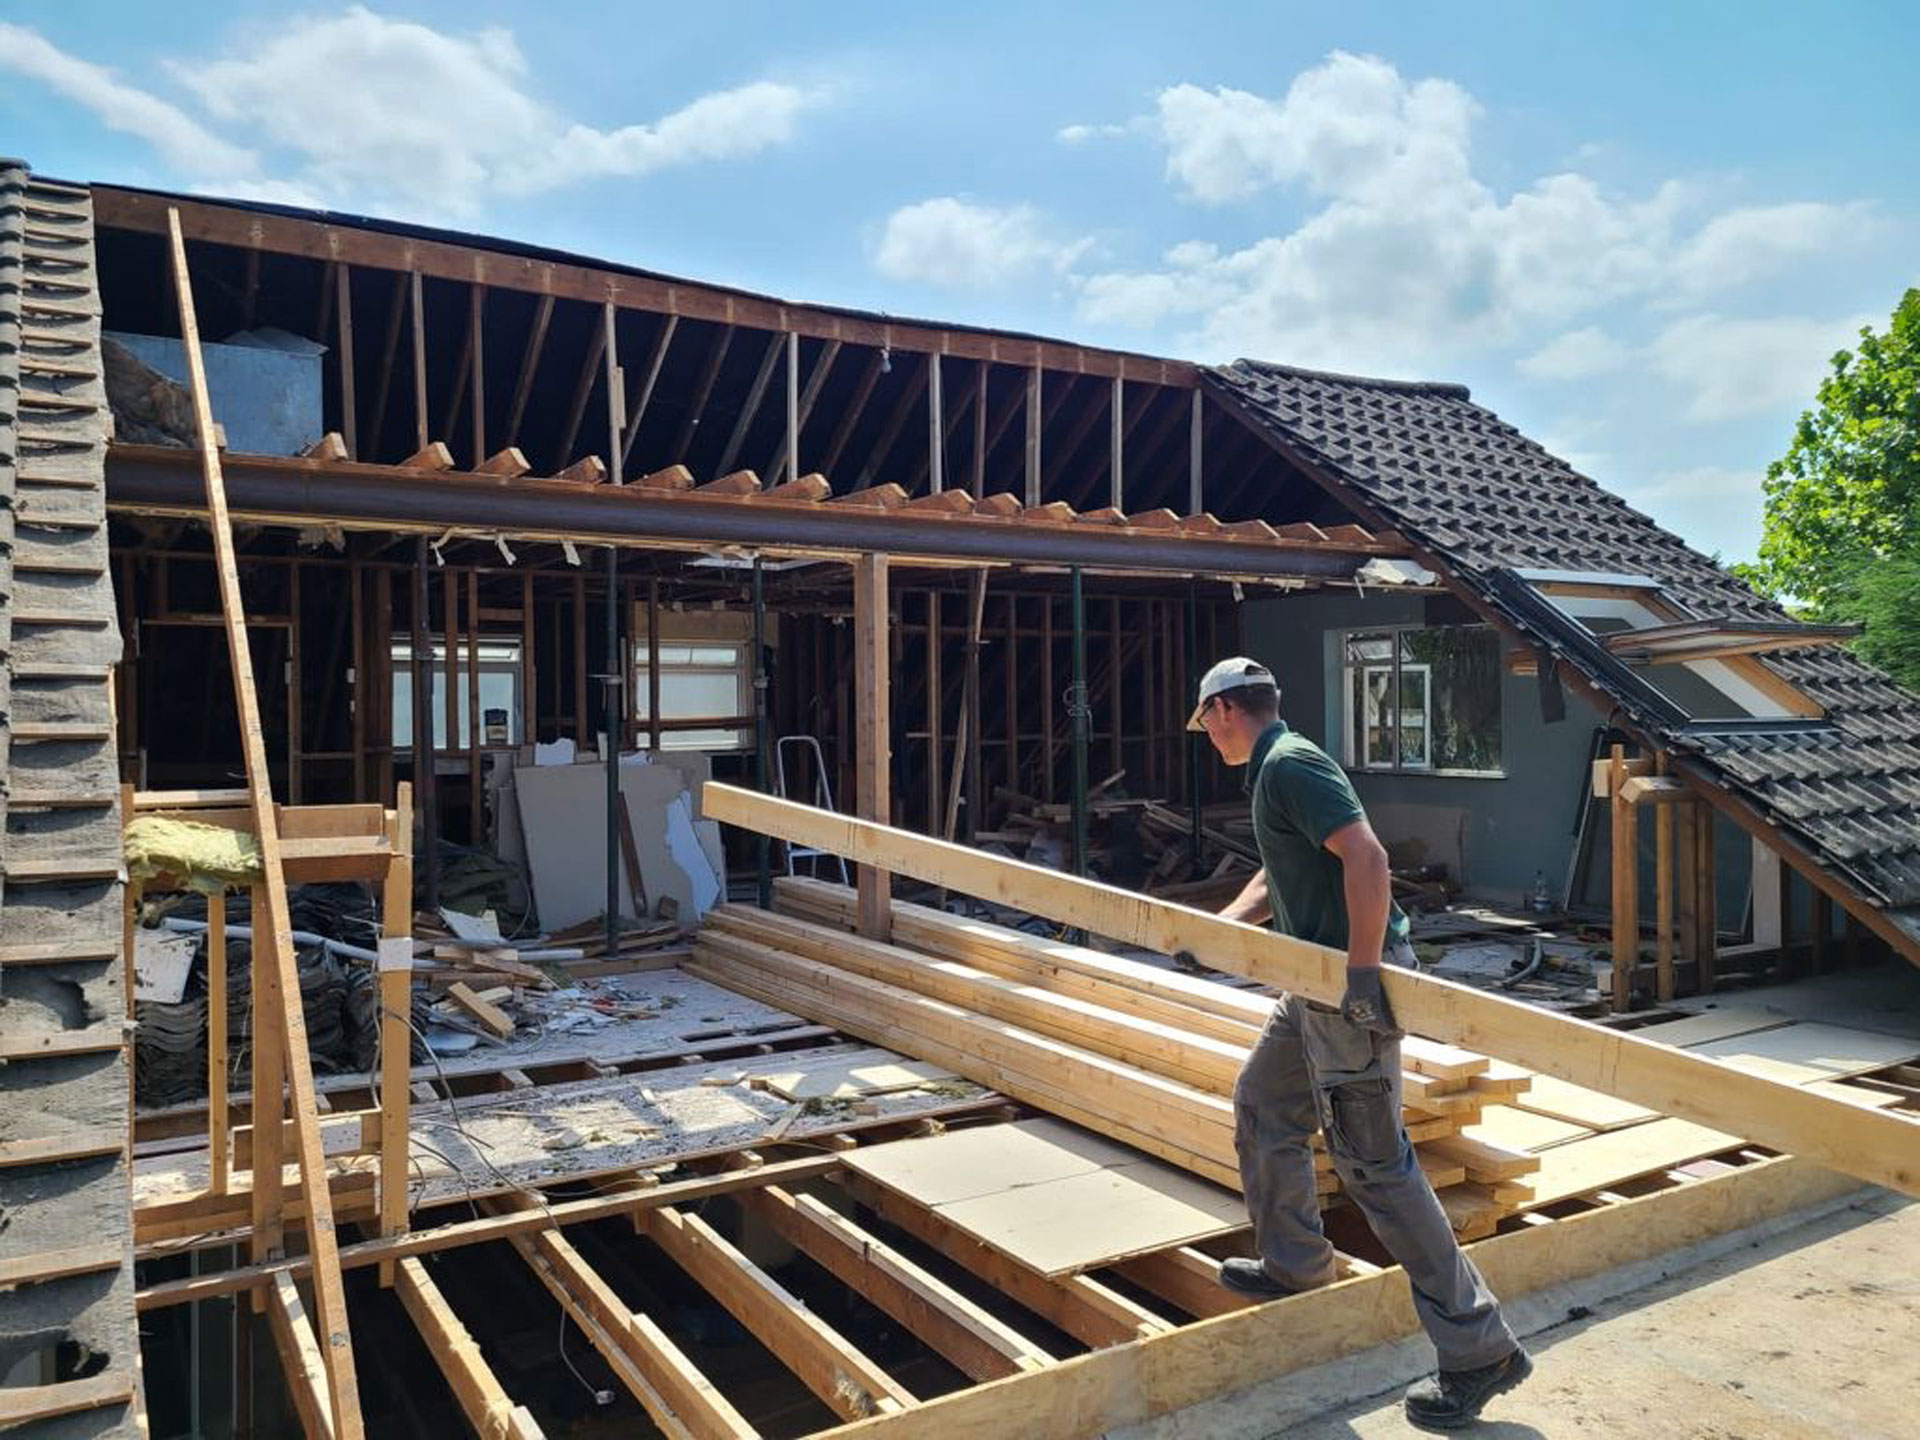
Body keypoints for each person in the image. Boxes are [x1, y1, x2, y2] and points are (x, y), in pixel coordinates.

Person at [1185, 656, 1531, 1431]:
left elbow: (1368, 860)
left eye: (1204, 722)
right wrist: (1223, 928)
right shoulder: (1271, 768)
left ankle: (1481, 1350)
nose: (1206, 737)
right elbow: (1284, 875)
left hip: (1347, 992)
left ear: (1224, 710)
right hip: (1313, 985)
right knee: (1264, 1107)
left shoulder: (1292, 765)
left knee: (1377, 1168)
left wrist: (1365, 975)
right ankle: (1296, 1264)